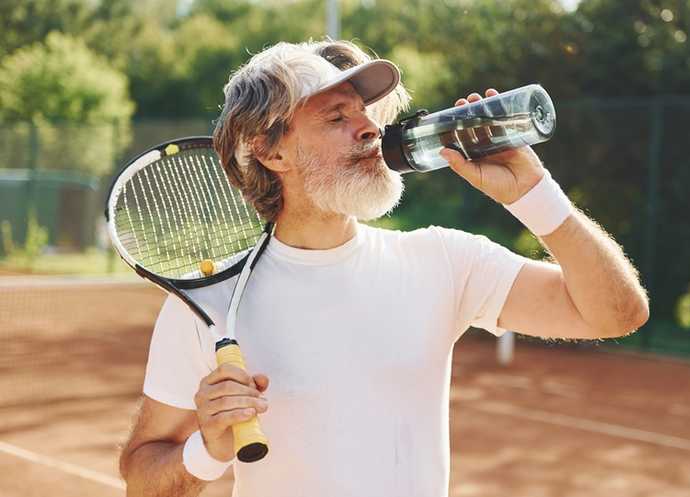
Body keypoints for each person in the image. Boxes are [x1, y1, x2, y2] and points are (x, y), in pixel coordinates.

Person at [118, 39, 649, 497]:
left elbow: (615, 313)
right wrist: (206, 451)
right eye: (336, 117)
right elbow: (143, 475)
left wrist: (535, 197)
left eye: (366, 112)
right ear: (270, 152)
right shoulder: (207, 300)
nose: (369, 128)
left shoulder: (442, 260)